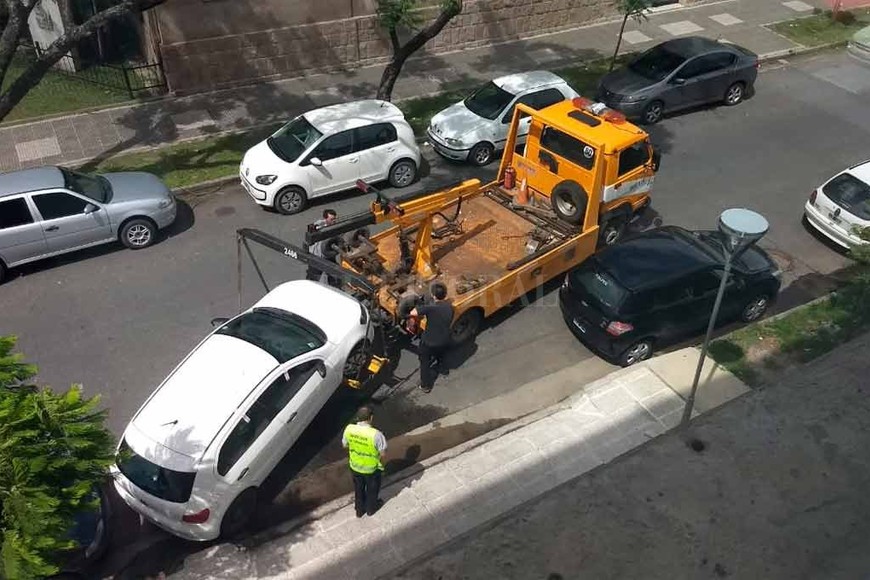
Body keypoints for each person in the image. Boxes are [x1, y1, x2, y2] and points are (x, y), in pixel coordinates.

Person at [342, 406, 387, 518]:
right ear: (371, 418)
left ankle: (359, 510)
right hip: (371, 470)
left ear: (358, 418)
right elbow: (383, 454)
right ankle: (370, 509)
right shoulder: (376, 434)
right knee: (372, 490)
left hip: (355, 467)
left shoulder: (349, 429)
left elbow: (345, 445)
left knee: (358, 489)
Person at [410, 281, 455, 393]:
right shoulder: (450, 307)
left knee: (424, 362)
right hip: (444, 339)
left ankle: (425, 385)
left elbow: (413, 312)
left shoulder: (431, 308)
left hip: (429, 342)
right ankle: (443, 369)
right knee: (441, 354)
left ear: (434, 296)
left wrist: (423, 306)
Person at [305, 209, 340, 287]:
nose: (334, 221)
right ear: (325, 219)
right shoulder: (318, 227)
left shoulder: (334, 227)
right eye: (331, 219)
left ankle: (336, 288)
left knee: (335, 274)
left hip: (328, 255)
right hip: (317, 257)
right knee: (314, 276)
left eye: (335, 219)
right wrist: (322, 224)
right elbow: (315, 227)